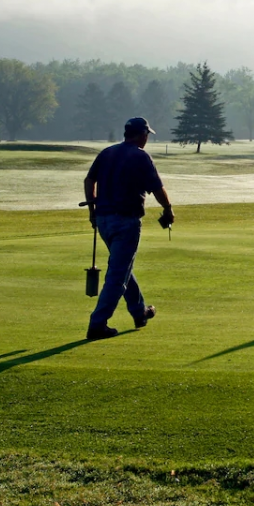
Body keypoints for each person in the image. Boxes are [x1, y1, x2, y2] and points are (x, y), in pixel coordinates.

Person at [82, 116, 174, 340]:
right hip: (126, 221)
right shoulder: (140, 156)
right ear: (142, 135)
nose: (147, 139)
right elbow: (157, 188)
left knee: (121, 267)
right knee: (117, 274)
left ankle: (139, 311)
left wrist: (92, 209)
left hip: (103, 220)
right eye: (146, 135)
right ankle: (97, 324)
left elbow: (88, 180)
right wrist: (168, 209)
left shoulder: (107, 152)